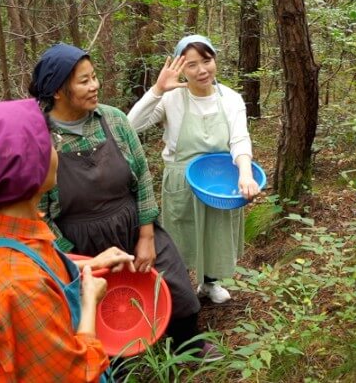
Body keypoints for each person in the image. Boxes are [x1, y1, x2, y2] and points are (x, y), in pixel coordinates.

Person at [28, 44, 219, 360]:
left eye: (94, 77)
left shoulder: (112, 120)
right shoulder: (41, 138)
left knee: (177, 286)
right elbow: (41, 215)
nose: (95, 86)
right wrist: (75, 260)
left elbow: (142, 176)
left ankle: (188, 342)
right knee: (101, 307)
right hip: (80, 241)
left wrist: (146, 236)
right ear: (59, 91)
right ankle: (115, 362)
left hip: (131, 223)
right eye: (84, 81)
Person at [0, 98, 136, 382]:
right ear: (27, 164)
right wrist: (89, 302)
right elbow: (74, 375)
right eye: (50, 142)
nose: (56, 149)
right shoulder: (17, 285)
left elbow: (36, 264)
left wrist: (87, 266)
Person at [127, 35, 260, 304]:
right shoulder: (171, 98)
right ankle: (176, 292)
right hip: (181, 181)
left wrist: (245, 173)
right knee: (180, 237)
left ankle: (209, 283)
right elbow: (130, 125)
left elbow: (239, 139)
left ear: (215, 60)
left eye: (207, 61)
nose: (202, 70)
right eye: (191, 65)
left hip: (219, 181)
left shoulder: (231, 99)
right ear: (180, 69)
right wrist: (157, 90)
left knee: (216, 234)